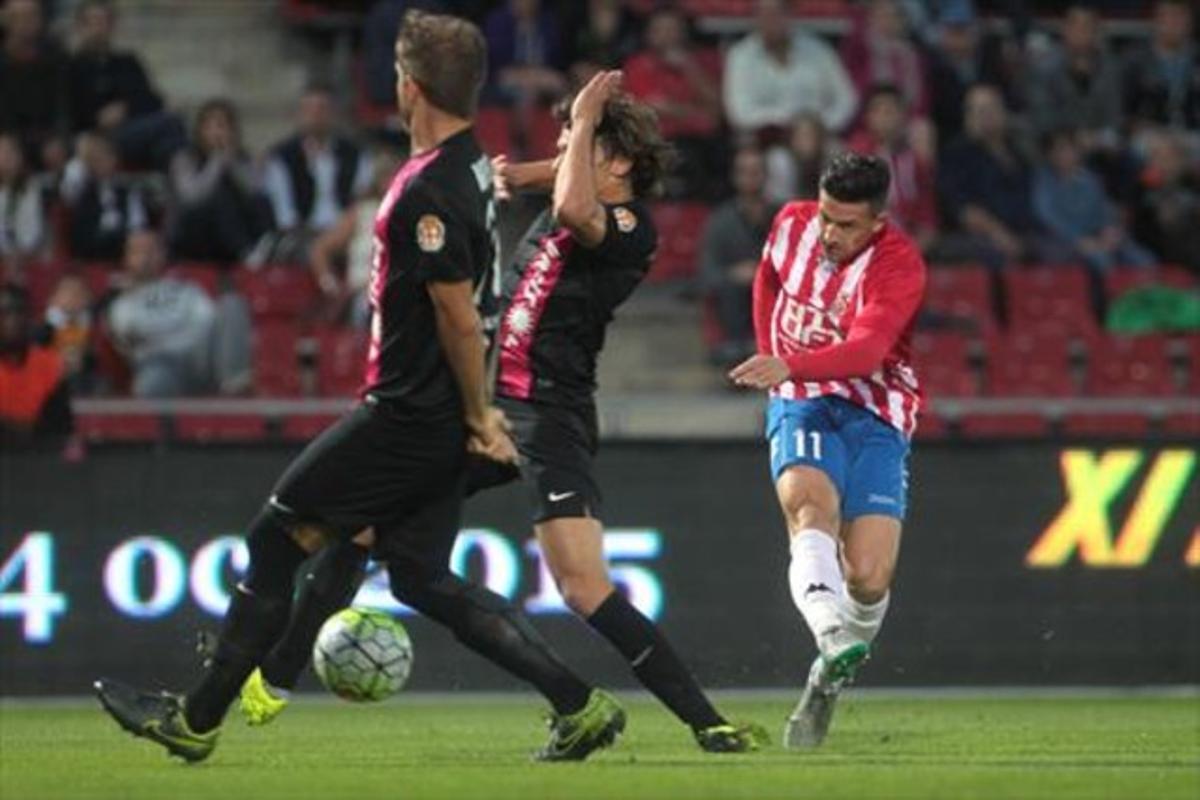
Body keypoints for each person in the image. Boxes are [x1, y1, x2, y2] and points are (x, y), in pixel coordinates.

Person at [94, 11, 623, 766]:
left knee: (272, 539)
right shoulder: (472, 166)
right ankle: (578, 704)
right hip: (436, 414)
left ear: (407, 87)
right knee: (420, 576)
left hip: (409, 414)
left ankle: (197, 718)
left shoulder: (426, 190)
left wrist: (479, 415)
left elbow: (454, 316)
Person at [232, 71, 764, 756]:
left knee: (582, 587)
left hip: (548, 415)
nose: (564, 149)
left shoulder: (629, 227)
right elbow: (534, 177)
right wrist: (532, 160)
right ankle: (272, 679)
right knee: (364, 530)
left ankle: (704, 721)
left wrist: (590, 113)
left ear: (619, 162)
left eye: (577, 141)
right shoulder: (575, 187)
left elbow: (576, 205)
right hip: (486, 412)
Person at [729, 152, 925, 749]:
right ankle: (829, 633)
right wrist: (775, 359)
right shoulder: (791, 223)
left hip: (877, 409)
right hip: (804, 399)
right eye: (825, 217)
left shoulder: (900, 267)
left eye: (845, 225)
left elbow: (866, 353)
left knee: (868, 575)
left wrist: (787, 360)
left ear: (878, 222)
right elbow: (768, 279)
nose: (829, 234)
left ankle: (825, 683)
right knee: (809, 509)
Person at [106, 230, 252, 397]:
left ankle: (234, 388)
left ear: (162, 254)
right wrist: (176, 327)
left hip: (201, 357)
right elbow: (130, 331)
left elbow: (208, 319)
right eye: (138, 251)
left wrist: (173, 334)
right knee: (151, 383)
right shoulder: (120, 302)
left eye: (152, 250)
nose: (145, 257)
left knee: (232, 303)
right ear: (126, 258)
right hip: (161, 364)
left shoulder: (184, 288)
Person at [938, 84, 1059, 270]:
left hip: (1026, 232)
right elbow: (964, 210)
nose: (986, 116)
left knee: (1065, 254)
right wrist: (1000, 235)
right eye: (978, 110)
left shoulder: (1018, 154)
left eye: (991, 108)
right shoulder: (956, 155)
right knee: (997, 257)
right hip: (983, 236)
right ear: (968, 116)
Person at [66, 0, 185, 169]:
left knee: (167, 142)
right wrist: (97, 120)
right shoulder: (71, 68)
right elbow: (70, 112)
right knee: (171, 126)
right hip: (95, 137)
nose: (98, 28)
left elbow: (152, 100)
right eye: (91, 22)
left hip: (133, 130)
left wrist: (125, 108)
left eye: (103, 22)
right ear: (80, 27)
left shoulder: (128, 62)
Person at [262, 83, 372, 264]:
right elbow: (286, 216)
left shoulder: (356, 155)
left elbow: (360, 201)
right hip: (303, 234)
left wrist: (339, 234)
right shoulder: (282, 158)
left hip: (344, 233)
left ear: (334, 114)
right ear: (299, 114)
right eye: (309, 109)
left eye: (322, 109)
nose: (316, 115)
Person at [723, 0, 857, 139]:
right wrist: (786, 123)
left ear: (790, 15)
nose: (770, 22)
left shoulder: (819, 51)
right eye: (764, 15)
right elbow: (738, 112)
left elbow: (846, 100)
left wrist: (821, 125)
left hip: (818, 137)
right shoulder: (740, 56)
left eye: (776, 14)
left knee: (844, 157)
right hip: (764, 140)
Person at [1033, 129, 1154, 274]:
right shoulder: (1042, 181)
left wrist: (1109, 230)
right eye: (1059, 149)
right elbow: (1047, 217)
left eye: (1070, 148)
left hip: (1097, 236)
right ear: (1049, 154)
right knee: (1101, 261)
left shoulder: (1090, 179)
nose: (1066, 154)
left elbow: (1104, 210)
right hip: (1064, 242)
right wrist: (1079, 240)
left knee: (1142, 259)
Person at [168, 99, 272, 265]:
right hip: (195, 229)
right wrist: (216, 162)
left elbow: (254, 190)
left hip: (233, 227)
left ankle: (265, 248)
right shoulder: (185, 158)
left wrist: (231, 163)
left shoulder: (241, 158)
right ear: (200, 130)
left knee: (261, 201)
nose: (216, 133)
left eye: (222, 126)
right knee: (219, 197)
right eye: (210, 127)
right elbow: (191, 198)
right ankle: (245, 251)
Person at [700, 146, 778, 365]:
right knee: (730, 287)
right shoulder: (720, 221)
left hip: (776, 294)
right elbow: (707, 273)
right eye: (744, 171)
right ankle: (735, 348)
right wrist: (733, 274)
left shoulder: (783, 217)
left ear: (766, 175)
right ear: (735, 177)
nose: (750, 178)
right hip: (735, 300)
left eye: (756, 171)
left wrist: (761, 273)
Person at [308, 148, 403, 327]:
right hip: (362, 296)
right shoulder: (361, 213)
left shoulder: (413, 216)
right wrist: (331, 286)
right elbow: (320, 249)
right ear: (378, 180)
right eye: (387, 176)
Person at [847, 85, 938, 252]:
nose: (885, 117)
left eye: (891, 111)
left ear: (904, 117)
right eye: (879, 111)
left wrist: (910, 252)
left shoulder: (915, 162)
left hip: (908, 249)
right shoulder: (857, 157)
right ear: (868, 118)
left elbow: (928, 221)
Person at [0, 0, 70, 170]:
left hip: (47, 135)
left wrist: (58, 137)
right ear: (6, 21)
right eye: (19, 18)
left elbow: (64, 106)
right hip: (8, 135)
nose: (26, 24)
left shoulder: (56, 58)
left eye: (31, 17)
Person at [0, 282, 72, 444]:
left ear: (30, 318)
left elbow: (59, 429)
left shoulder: (50, 364)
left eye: (19, 312)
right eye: (4, 313)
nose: (13, 321)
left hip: (38, 458)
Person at [61, 131, 147, 261]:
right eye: (96, 159)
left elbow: (137, 225)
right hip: (90, 248)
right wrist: (82, 155)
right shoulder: (81, 188)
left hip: (121, 247)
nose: (102, 163)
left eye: (107, 157)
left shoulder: (127, 190)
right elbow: (69, 188)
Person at [1121, 0, 1198, 135]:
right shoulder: (1134, 60)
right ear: (1156, 21)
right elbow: (1121, 111)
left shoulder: (1196, 57)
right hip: (1149, 135)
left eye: (1180, 17)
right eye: (1167, 17)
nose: (1173, 23)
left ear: (1190, 23)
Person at [0, 131, 47, 271]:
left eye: (10, 151)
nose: (7, 157)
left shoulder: (32, 189)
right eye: (2, 152)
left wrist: (18, 254)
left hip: (26, 259)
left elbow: (33, 232)